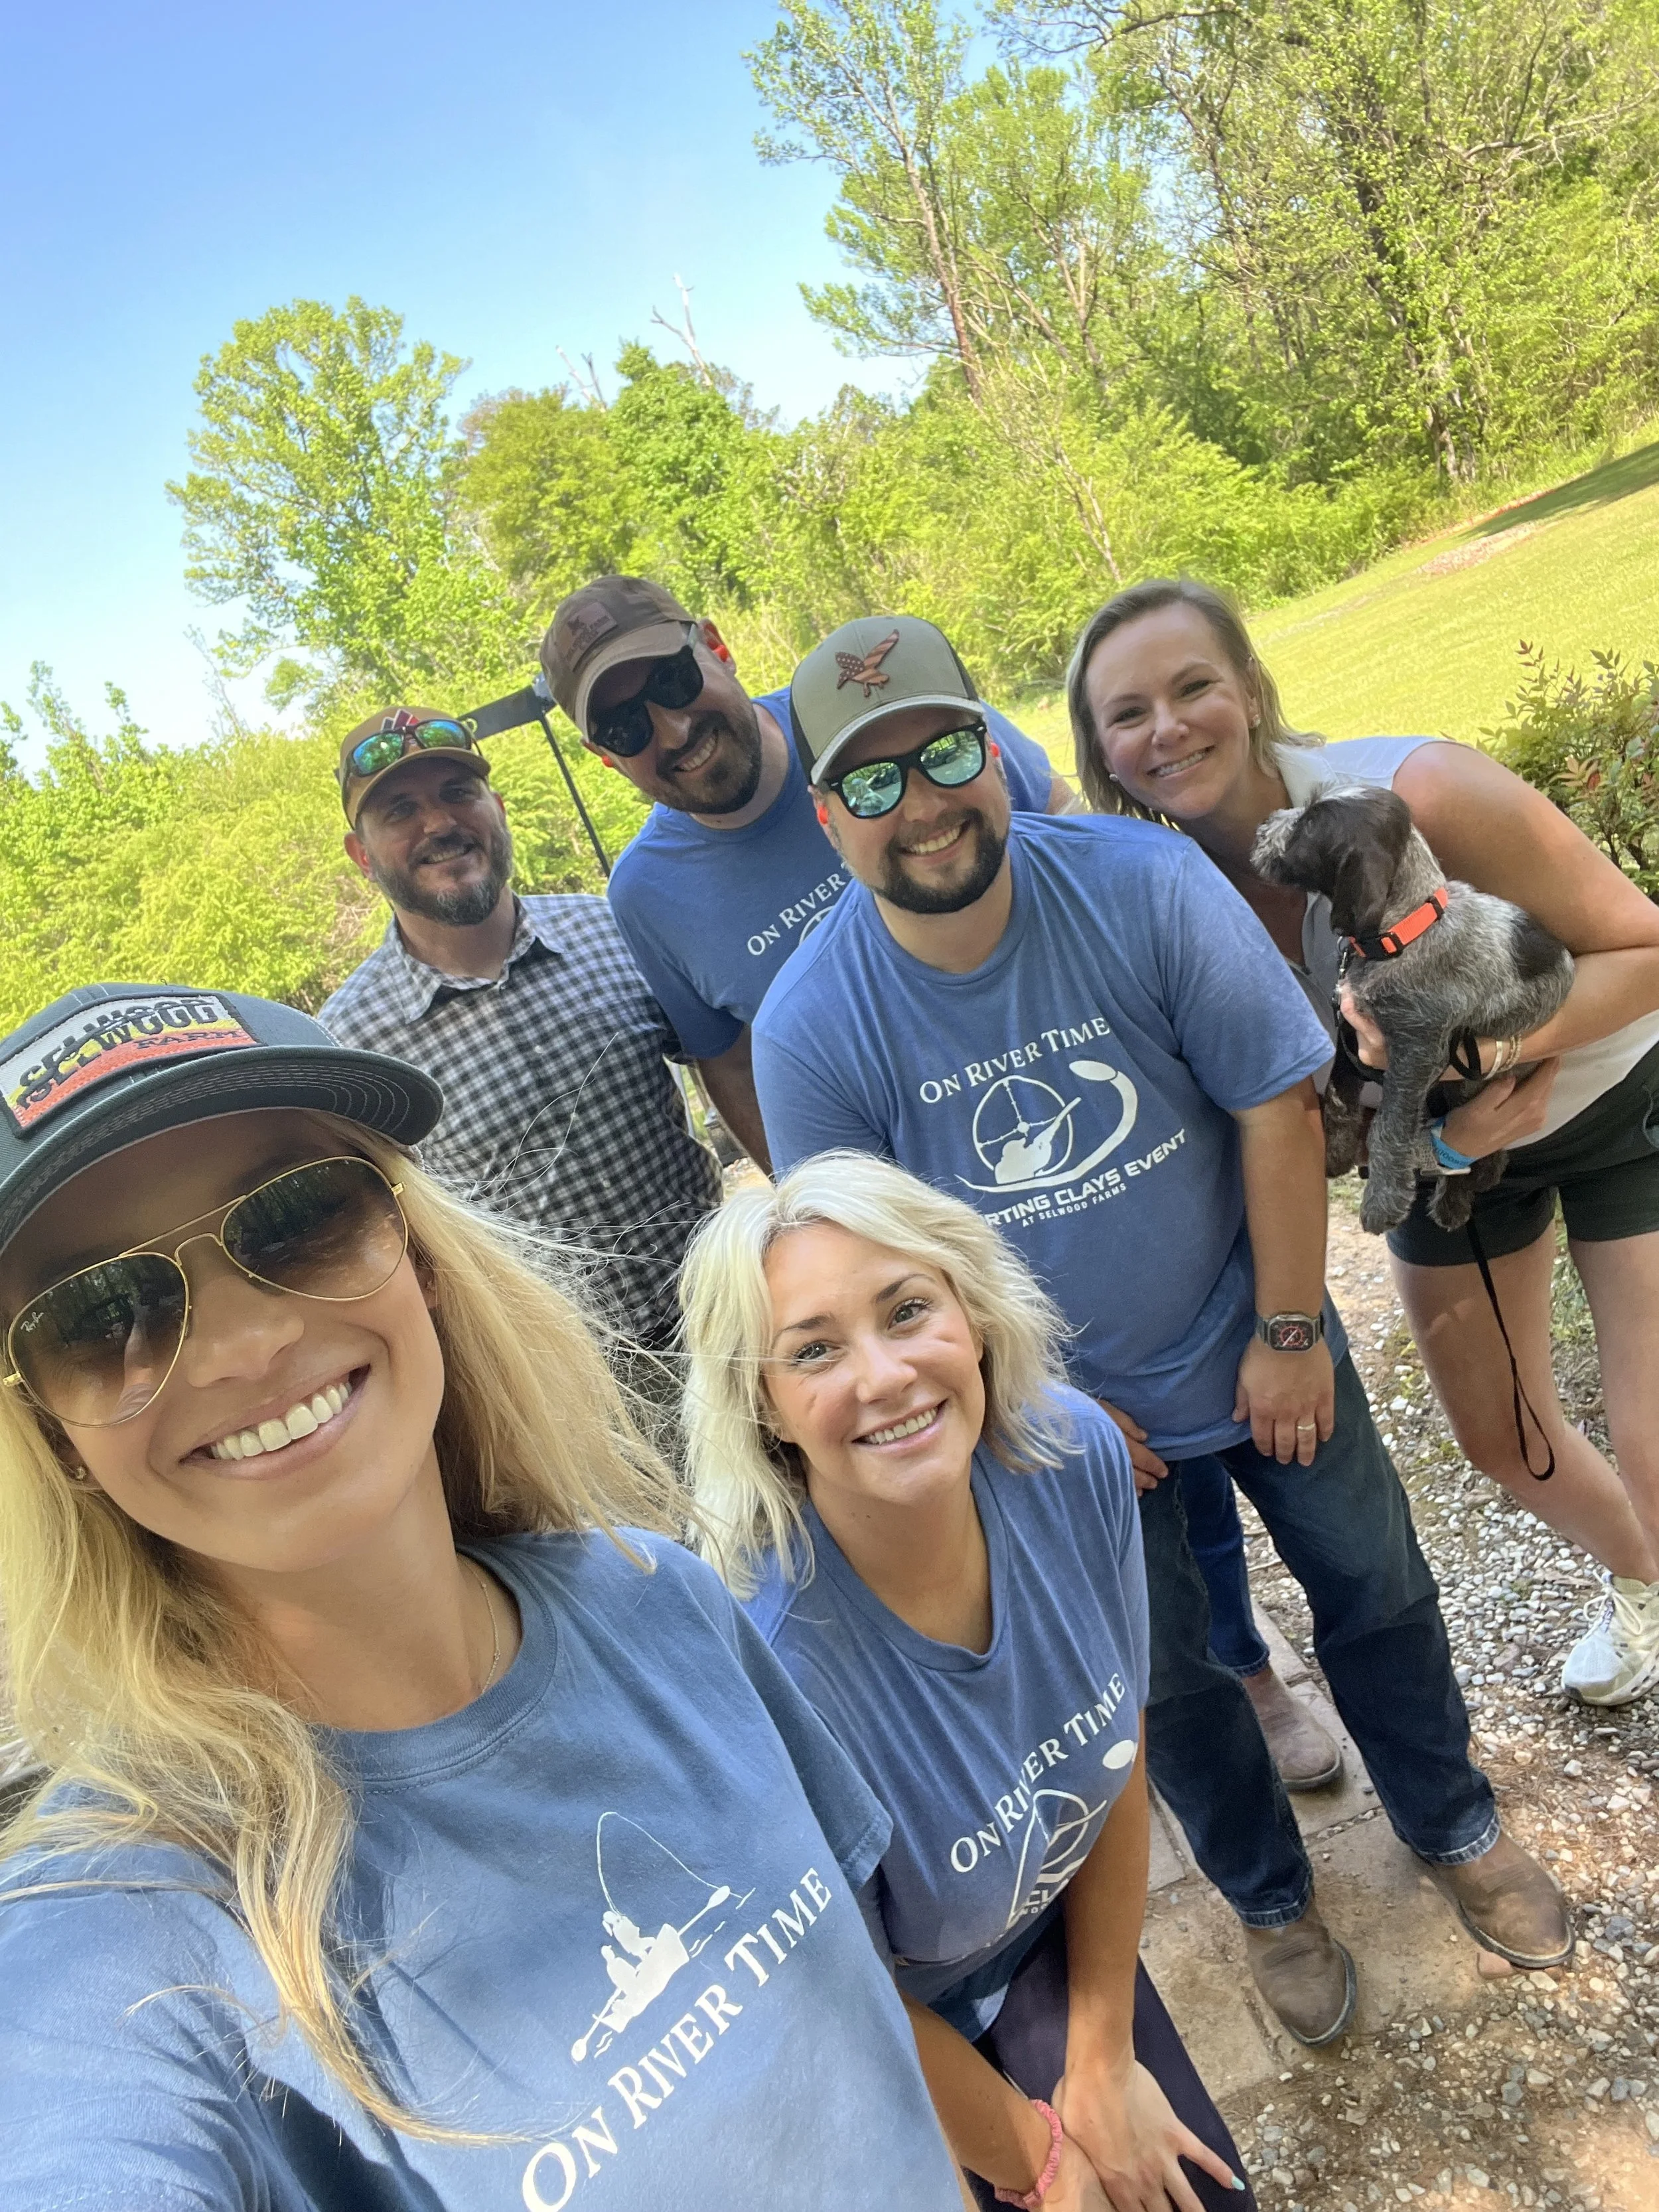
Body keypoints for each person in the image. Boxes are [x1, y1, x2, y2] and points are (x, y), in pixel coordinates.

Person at [0, 980, 964, 2210]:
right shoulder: (127, 1928)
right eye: (102, 1312)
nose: (241, 1345)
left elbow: (861, 2014)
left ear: (423, 1258)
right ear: (53, 1437)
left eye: (297, 1216)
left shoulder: (658, 1597)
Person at [749, 613, 1571, 2047]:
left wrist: (1292, 1326)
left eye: (946, 752)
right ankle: (1268, 1902)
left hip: (1252, 1333)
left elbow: (1266, 1098)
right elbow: (868, 1271)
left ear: (996, 753)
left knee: (1374, 1589)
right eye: (871, 783)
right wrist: (1035, 1413)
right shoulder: (813, 1023)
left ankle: (1453, 1826)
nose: (923, 803)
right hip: (1057, 1420)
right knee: (1163, 1680)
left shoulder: (1138, 883)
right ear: (827, 820)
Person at [1068, 578, 1659, 1708]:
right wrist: (1440, 1131)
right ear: (1103, 752)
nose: (1168, 726)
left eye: (1193, 685)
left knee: (1653, 1436)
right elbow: (1310, 1124)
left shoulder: (1417, 791)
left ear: (1249, 685)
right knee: (1502, 1437)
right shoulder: (1168, 904)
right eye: (1128, 712)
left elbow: (1645, 947)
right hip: (1454, 1162)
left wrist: (1480, 1053)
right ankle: (1641, 1575)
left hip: (1616, 1097)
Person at [680, 1151, 1252, 2212]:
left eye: (907, 1309)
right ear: (763, 1408)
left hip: (1039, 1932)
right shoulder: (769, 1665)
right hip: (878, 2018)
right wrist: (1037, 2163)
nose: (887, 1374)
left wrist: (1101, 2057)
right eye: (814, 1350)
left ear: (974, 1311)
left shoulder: (1069, 1455)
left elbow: (1116, 1746)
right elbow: (839, 1992)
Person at [540, 578, 1077, 1169]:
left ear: (716, 646)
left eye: (674, 679)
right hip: (917, 1190)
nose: (672, 730)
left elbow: (1065, 827)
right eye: (625, 728)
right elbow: (731, 1064)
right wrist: (817, 1212)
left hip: (1073, 1078)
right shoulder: (646, 896)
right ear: (603, 756)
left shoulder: (870, 715)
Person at [319, 703, 722, 1384]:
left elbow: (732, 1066)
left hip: (725, 1323)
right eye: (399, 812)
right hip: (562, 1394)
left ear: (498, 808)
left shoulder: (616, 930)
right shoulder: (347, 1048)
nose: (439, 823)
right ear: (361, 855)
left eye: (458, 793)